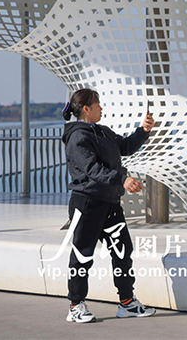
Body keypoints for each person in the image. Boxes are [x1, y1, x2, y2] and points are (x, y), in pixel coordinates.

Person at [61, 88, 156, 323]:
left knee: (123, 251)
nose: (101, 108)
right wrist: (122, 179)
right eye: (98, 104)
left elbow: (126, 147)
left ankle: (127, 303)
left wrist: (143, 131)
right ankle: (76, 306)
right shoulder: (78, 137)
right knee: (82, 255)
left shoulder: (102, 131)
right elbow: (92, 169)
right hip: (87, 203)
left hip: (109, 203)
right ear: (86, 109)